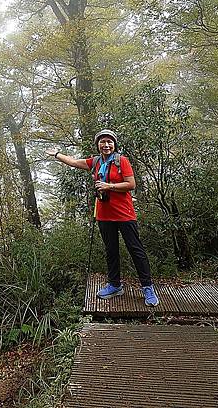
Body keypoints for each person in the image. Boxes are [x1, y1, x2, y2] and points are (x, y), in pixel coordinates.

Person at [46, 129, 159, 306]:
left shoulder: (122, 161)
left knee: (136, 250)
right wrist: (57, 154)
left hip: (124, 214)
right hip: (104, 215)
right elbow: (74, 162)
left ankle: (147, 287)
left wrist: (109, 186)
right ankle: (115, 285)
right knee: (111, 251)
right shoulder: (96, 162)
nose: (106, 145)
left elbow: (131, 184)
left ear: (114, 144)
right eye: (102, 142)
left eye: (109, 142)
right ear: (98, 144)